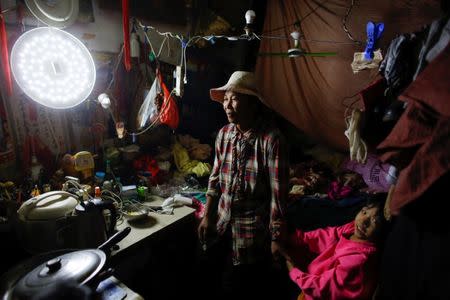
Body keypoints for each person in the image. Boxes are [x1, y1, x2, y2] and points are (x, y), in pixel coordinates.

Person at [197, 71, 289, 299]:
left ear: (253, 103)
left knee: (242, 287)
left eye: (235, 98)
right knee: (213, 279)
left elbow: (279, 196)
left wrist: (277, 238)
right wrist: (208, 215)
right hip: (221, 224)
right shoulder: (224, 134)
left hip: (251, 234)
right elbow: (215, 178)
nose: (227, 105)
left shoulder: (271, 139)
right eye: (226, 99)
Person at [273, 194, 388, 300]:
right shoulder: (353, 229)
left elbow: (322, 288)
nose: (364, 221)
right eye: (364, 212)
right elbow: (328, 235)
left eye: (374, 221)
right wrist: (293, 237)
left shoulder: (359, 259)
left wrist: (293, 269)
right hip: (314, 278)